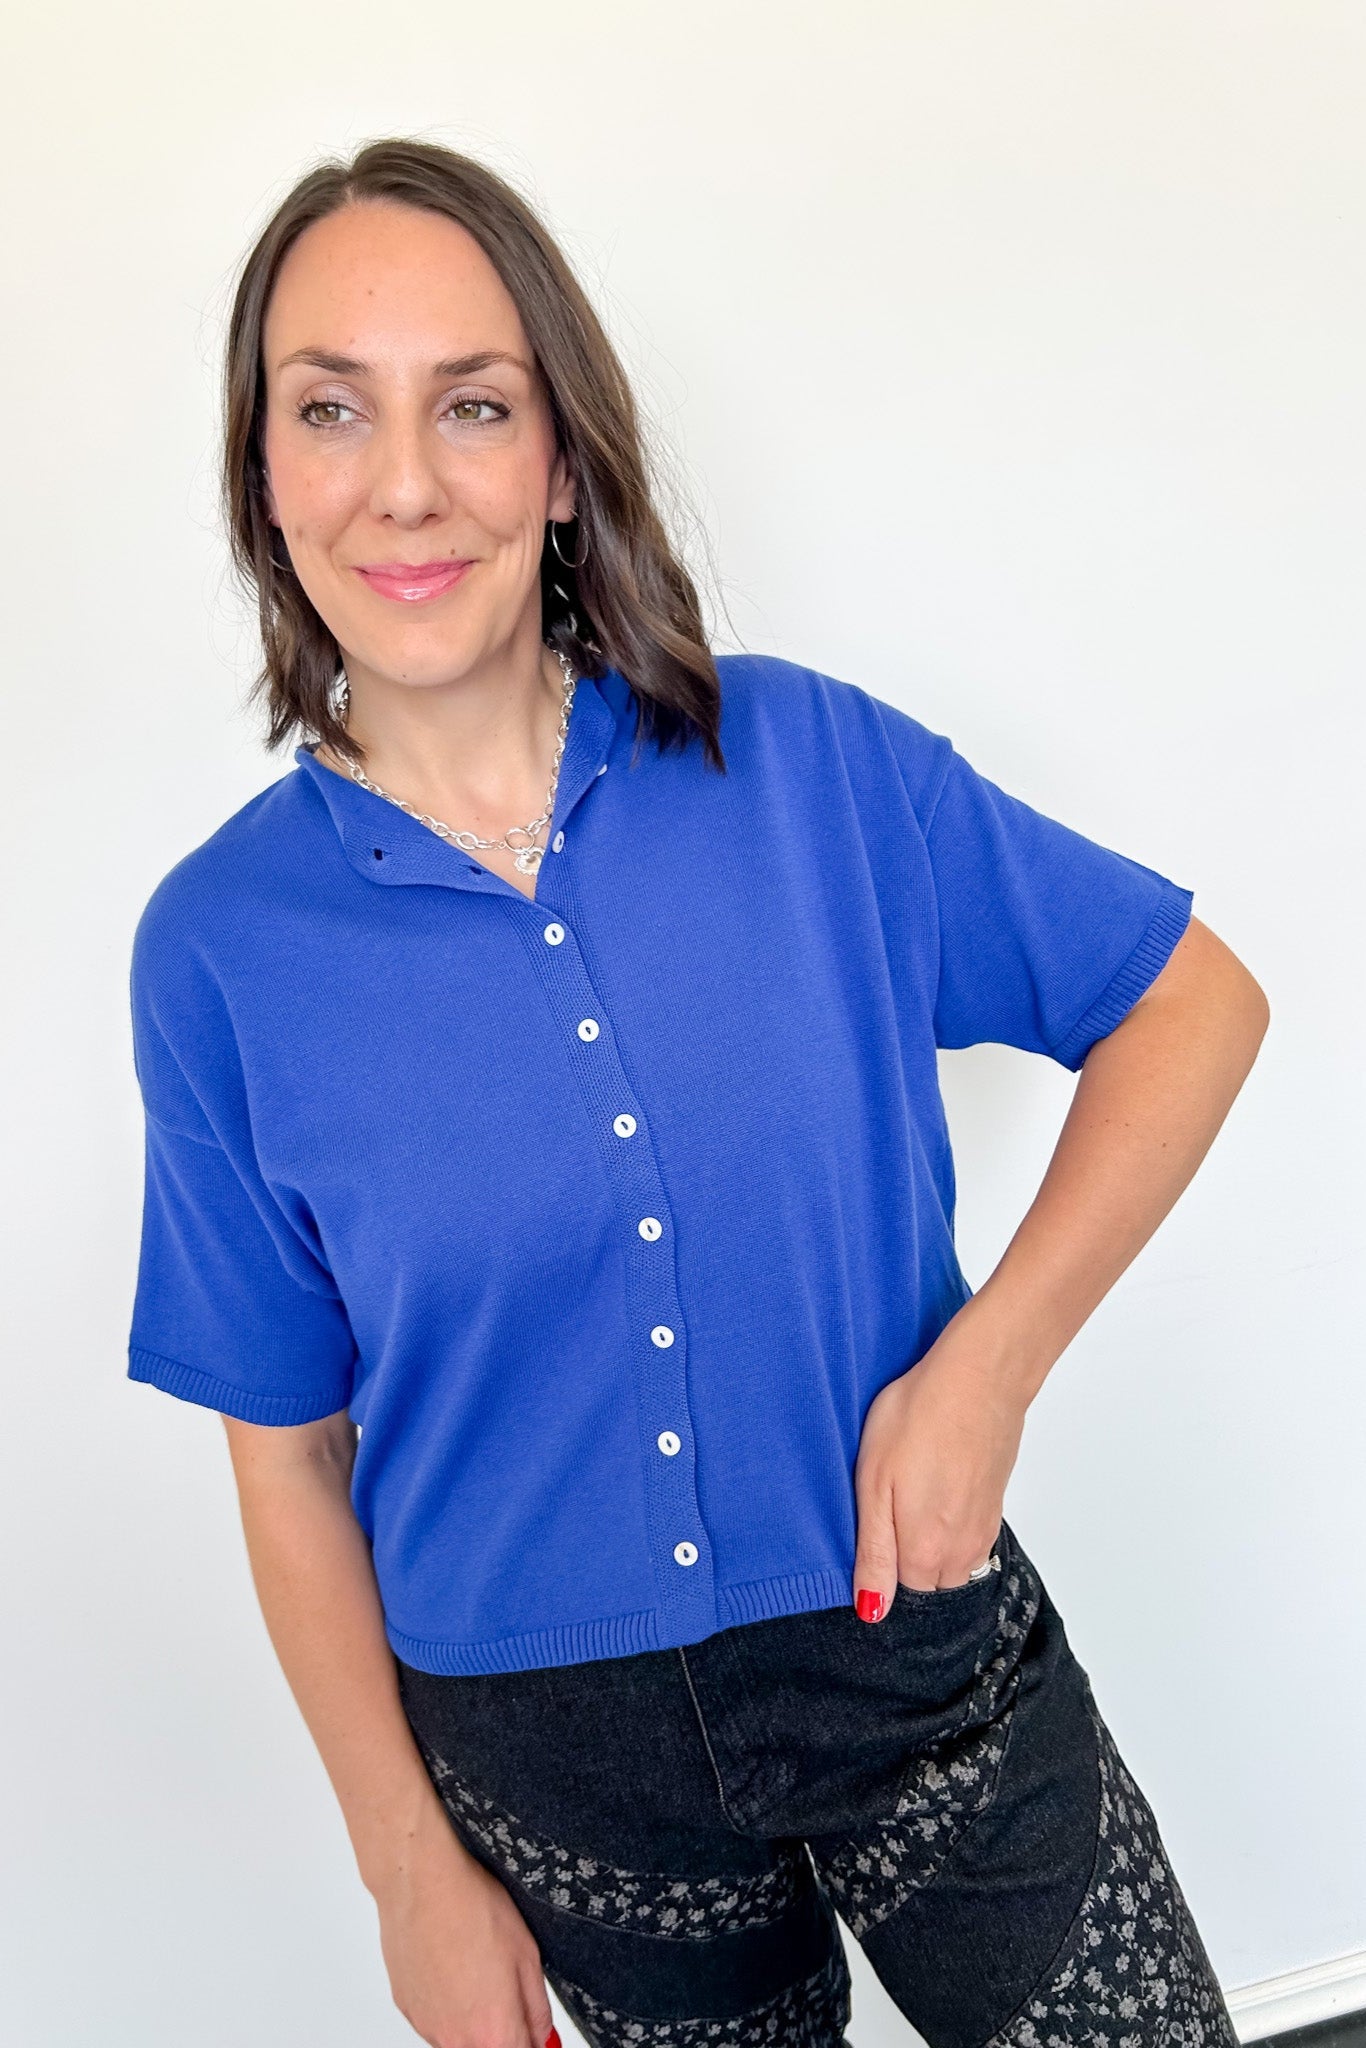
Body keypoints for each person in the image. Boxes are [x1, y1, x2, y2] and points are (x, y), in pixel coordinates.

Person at [125, 137, 1268, 2048]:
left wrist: (983, 1368)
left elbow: (1190, 1003)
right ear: (265, 472)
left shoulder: (808, 766)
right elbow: (290, 1457)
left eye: (471, 407)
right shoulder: (219, 951)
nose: (402, 483)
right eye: (330, 410)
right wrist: (405, 1865)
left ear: (559, 460)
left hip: (916, 1646)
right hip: (550, 1764)